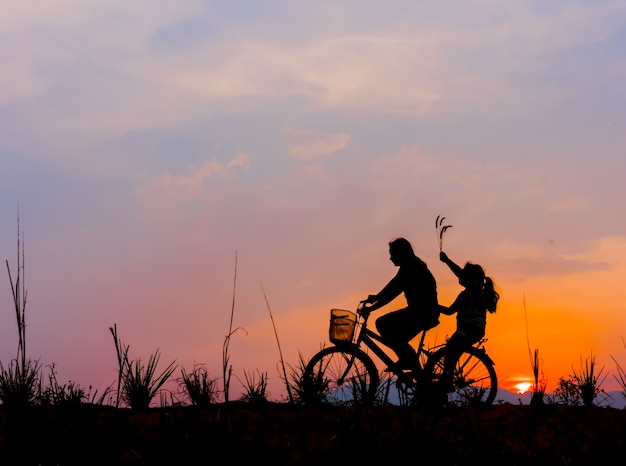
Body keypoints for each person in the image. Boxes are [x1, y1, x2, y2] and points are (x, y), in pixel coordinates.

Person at [360, 237, 440, 371]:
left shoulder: (410, 265)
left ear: (400, 252)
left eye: (392, 254)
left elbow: (394, 289)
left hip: (422, 312)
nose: (390, 258)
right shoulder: (412, 263)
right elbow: (394, 285)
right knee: (398, 340)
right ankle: (415, 371)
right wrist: (377, 298)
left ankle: (408, 361)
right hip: (424, 311)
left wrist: (373, 307)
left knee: (383, 324)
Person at [438, 251, 500, 385]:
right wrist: (434, 306)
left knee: (451, 349)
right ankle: (445, 380)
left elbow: (461, 274)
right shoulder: (464, 294)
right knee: (451, 354)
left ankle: (446, 381)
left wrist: (447, 261)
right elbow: (449, 311)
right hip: (469, 330)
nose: (460, 277)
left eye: (464, 275)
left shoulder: (476, 289)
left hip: (471, 329)